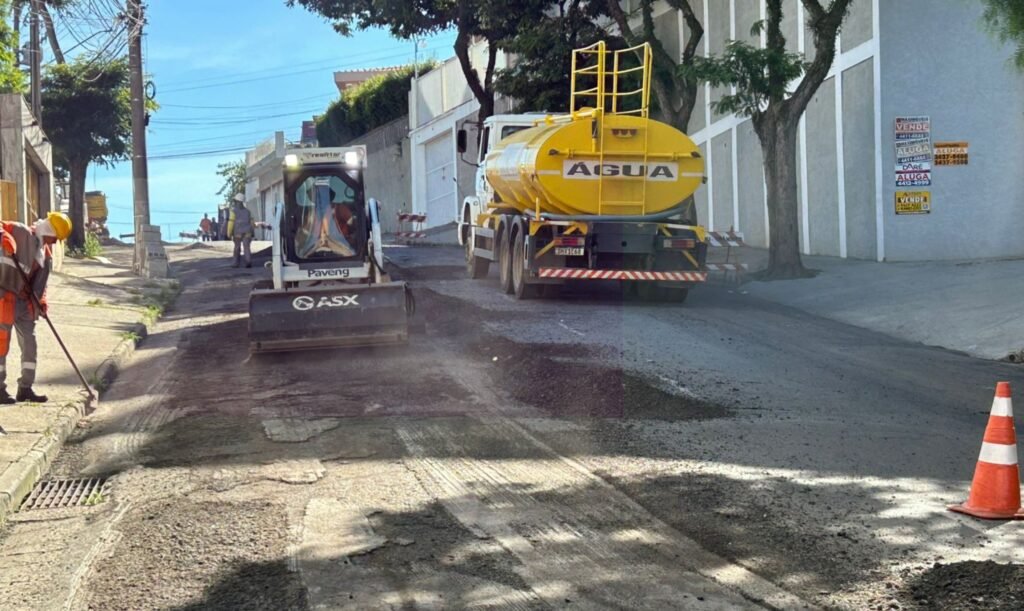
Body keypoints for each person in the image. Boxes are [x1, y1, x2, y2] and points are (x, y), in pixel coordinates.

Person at [0, 212, 72, 404]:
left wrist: (42, 300)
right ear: (49, 230)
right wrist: (4, 236)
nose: (55, 243)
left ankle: (25, 388)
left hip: (26, 303)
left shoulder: (45, 254)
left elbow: (41, 283)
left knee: (30, 345)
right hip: (5, 296)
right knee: (1, 344)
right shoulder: (20, 232)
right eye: (55, 237)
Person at [227, 193, 254, 268]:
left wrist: (229, 233)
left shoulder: (233, 211)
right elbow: (252, 223)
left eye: (235, 201)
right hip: (247, 232)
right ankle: (248, 262)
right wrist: (252, 232)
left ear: (238, 202)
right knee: (247, 248)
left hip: (237, 233)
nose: (235, 203)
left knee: (237, 248)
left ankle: (235, 263)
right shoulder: (248, 212)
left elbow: (231, 223)